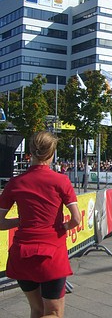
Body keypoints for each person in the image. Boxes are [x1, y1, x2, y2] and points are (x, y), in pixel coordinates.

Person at [0, 131, 82, 318]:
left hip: (22, 254)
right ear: (52, 153)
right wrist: (63, 227)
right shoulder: (61, 181)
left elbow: (1, 222)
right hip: (51, 255)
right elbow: (76, 219)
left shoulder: (15, 182)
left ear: (31, 151)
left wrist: (21, 220)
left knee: (36, 310)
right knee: (53, 312)